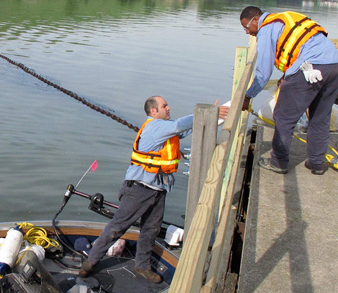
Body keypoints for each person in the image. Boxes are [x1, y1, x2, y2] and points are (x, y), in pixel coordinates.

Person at [79, 96, 228, 283]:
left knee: (151, 229)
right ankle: (89, 263)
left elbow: (183, 129)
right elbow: (179, 125)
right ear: (153, 111)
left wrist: (210, 117)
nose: (169, 107)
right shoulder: (154, 127)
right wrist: (204, 114)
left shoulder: (164, 128)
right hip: (139, 189)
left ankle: (142, 265)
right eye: (165, 106)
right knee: (117, 227)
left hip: (157, 189)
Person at [240, 6, 338, 175]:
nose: (247, 32)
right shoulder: (285, 18)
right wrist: (287, 76)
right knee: (320, 117)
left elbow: (263, 73)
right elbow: (297, 47)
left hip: (310, 70)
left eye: (246, 27)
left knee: (283, 117)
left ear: (256, 19)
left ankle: (278, 162)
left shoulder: (265, 29)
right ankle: (317, 163)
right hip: (334, 68)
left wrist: (248, 95)